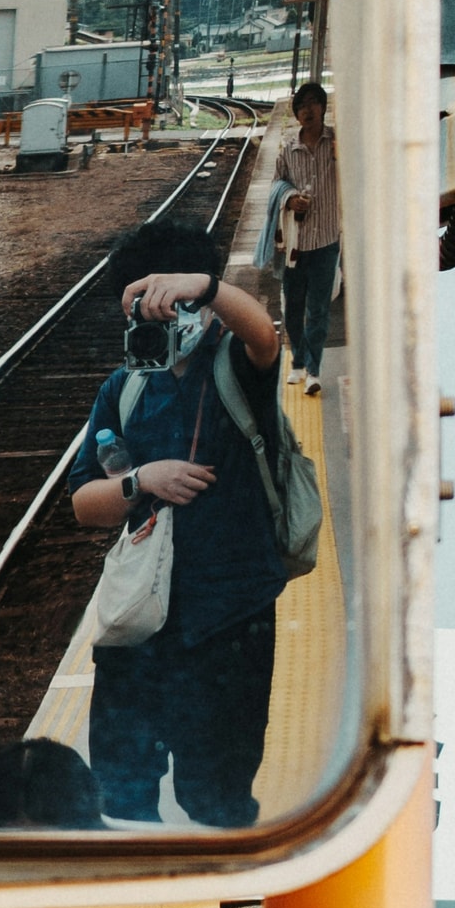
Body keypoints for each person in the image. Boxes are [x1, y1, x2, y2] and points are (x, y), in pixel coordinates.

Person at [70, 241, 296, 828]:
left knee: (216, 796)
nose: (155, 327)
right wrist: (142, 479)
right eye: (141, 316)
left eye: (169, 310)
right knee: (120, 795)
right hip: (139, 623)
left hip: (229, 621)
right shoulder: (123, 387)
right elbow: (84, 505)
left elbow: (265, 337)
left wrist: (207, 285)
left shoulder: (235, 368)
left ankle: (221, 905)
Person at [274, 80, 342, 379]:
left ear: (324, 108)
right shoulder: (288, 150)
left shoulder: (338, 144)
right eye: (302, 106)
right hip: (296, 244)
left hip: (327, 240)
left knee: (318, 310)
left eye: (314, 103)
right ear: (297, 114)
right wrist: (290, 200)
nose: (308, 110)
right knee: (293, 307)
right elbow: (277, 186)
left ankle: (312, 370)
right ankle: (299, 360)